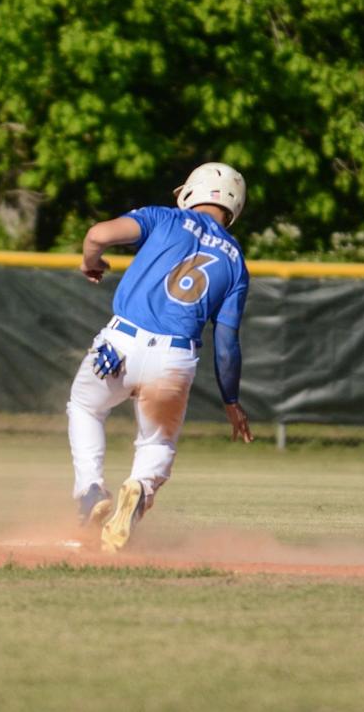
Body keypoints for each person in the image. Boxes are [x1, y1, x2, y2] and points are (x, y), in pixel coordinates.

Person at [66, 162, 253, 552]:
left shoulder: (164, 217)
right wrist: (231, 401)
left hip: (120, 343)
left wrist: (90, 262)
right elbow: (226, 342)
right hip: (175, 359)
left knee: (85, 407)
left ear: (192, 191)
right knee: (156, 444)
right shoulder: (235, 260)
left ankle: (90, 490)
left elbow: (98, 234)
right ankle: (139, 488)